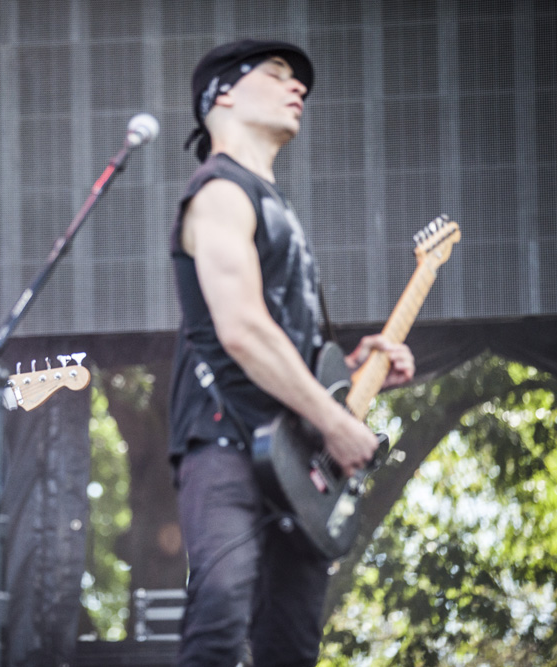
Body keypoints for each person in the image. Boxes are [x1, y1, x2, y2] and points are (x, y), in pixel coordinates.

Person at [169, 40, 416, 666]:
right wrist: (336, 421)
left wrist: (350, 376)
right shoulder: (219, 192)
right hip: (226, 443)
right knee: (221, 615)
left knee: (292, 642)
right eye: (276, 73)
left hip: (296, 458)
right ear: (222, 94)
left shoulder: (275, 205)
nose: (298, 86)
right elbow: (243, 332)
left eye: (297, 78)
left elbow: (278, 342)